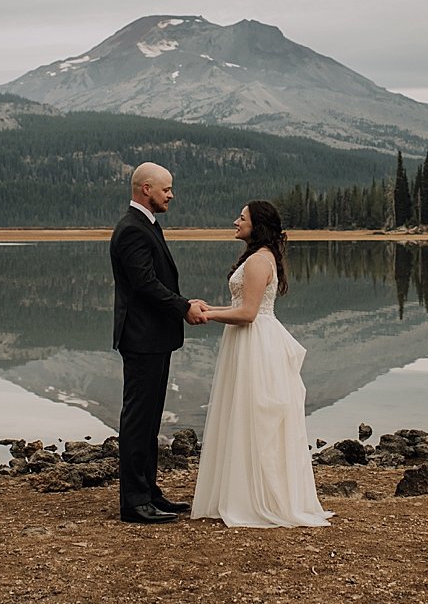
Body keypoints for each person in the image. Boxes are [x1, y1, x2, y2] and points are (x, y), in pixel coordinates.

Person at [191, 200, 332, 528]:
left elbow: (248, 313)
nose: (236, 221)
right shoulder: (261, 257)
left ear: (258, 225)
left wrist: (207, 315)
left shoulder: (257, 261)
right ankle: (243, 492)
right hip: (249, 340)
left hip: (255, 341)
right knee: (247, 415)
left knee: (257, 417)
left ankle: (258, 499)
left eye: (242, 218)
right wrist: (205, 305)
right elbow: (242, 305)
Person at [110, 161, 210, 524]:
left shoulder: (145, 225)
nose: (171, 195)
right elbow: (145, 284)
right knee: (138, 420)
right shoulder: (131, 230)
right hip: (141, 337)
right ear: (146, 189)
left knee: (149, 419)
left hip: (153, 337)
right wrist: (184, 307)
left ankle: (149, 492)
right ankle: (134, 502)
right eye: (166, 189)